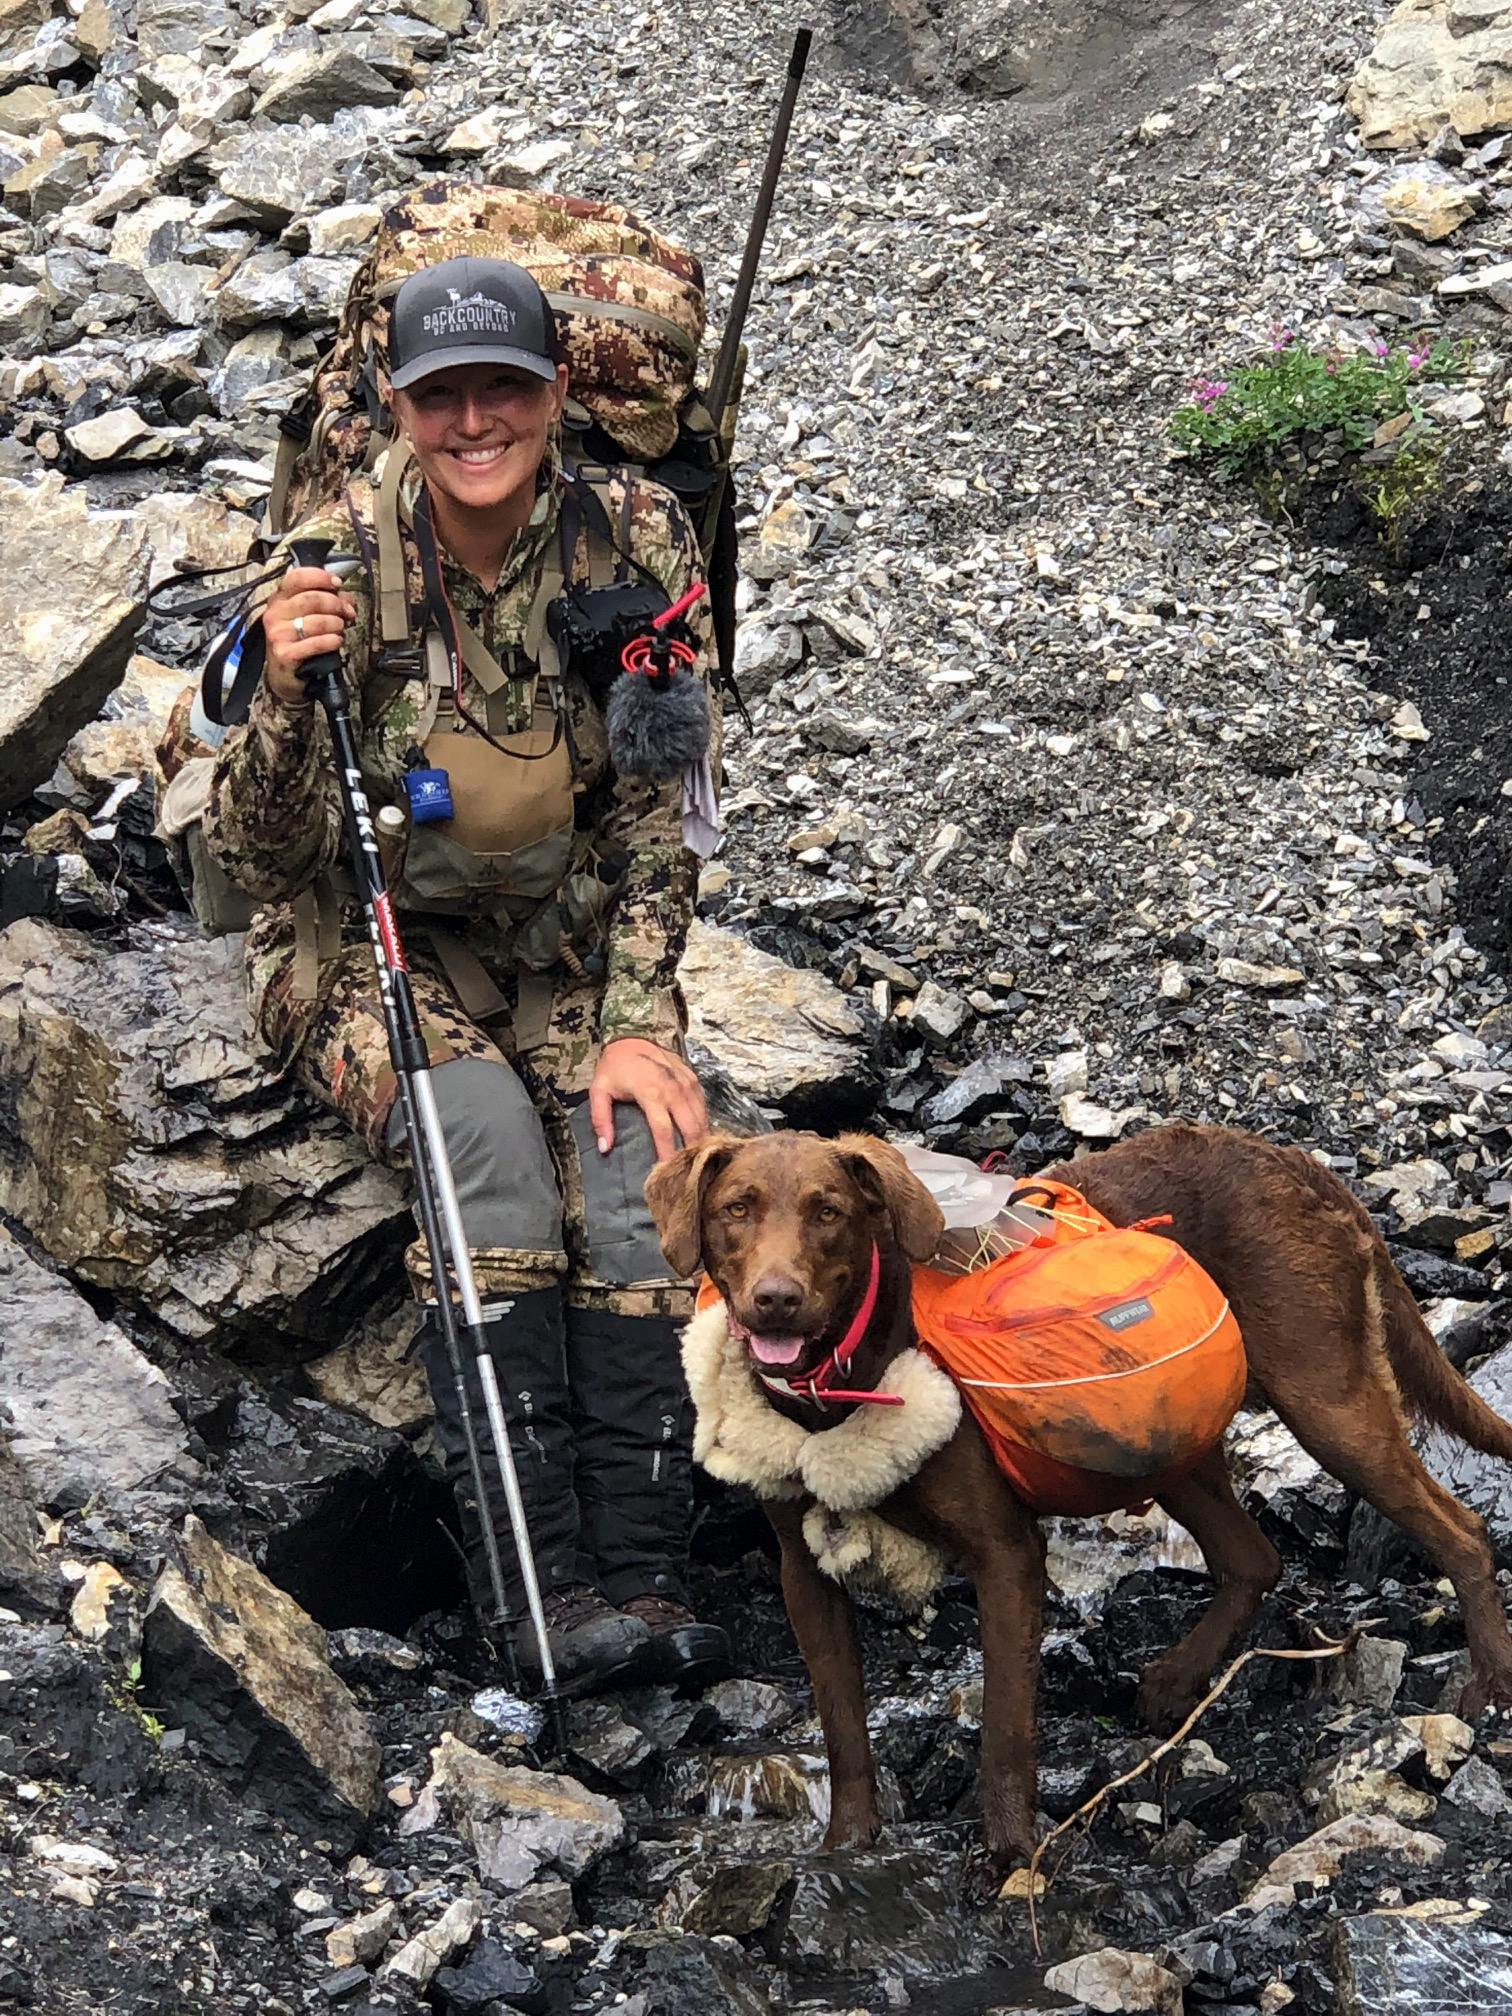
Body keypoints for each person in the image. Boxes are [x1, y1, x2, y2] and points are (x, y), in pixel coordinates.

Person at [201, 255, 731, 1693]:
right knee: (486, 1143)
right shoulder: (324, 562)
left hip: (561, 942)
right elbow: (260, 857)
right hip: (365, 946)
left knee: (640, 1166)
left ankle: (650, 1572)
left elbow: (655, 810)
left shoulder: (635, 541)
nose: (477, 421)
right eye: (446, 397)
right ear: (396, 410)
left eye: (507, 387)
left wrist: (635, 1022)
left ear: (557, 394)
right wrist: (287, 692)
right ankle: (539, 1595)